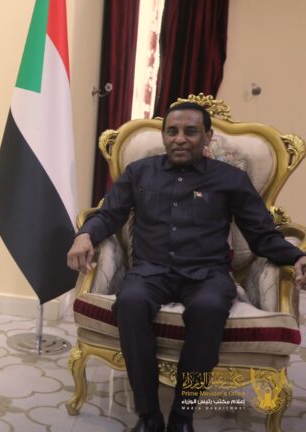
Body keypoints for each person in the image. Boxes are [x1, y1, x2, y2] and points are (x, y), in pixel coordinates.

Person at [67, 102, 306, 432]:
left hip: (208, 275)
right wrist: (84, 235)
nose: (180, 138)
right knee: (131, 303)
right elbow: (109, 214)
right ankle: (149, 416)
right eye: (172, 131)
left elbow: (262, 235)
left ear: (207, 136)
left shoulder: (231, 179)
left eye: (190, 131)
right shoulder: (139, 172)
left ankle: (182, 415)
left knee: (209, 308)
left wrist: (296, 257)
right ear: (164, 136)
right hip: (150, 272)